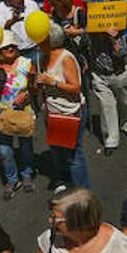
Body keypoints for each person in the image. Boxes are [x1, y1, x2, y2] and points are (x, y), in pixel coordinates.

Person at [36, 22, 90, 193]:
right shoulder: (42, 56)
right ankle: (64, 180)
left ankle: (83, 192)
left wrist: (51, 82)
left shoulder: (65, 58)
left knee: (74, 154)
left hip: (69, 113)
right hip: (52, 113)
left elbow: (75, 88)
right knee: (57, 150)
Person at [88, 0, 127, 157]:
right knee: (106, 105)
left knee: (123, 99)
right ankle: (111, 140)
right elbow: (91, 23)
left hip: (119, 62)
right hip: (100, 64)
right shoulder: (93, 3)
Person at [0, 31, 38, 197]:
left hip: (23, 113)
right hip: (2, 116)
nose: (9, 49)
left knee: (26, 147)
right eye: (5, 47)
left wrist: (28, 94)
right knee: (4, 150)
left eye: (11, 46)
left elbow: (36, 87)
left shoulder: (26, 63)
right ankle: (12, 180)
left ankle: (27, 175)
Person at [22, 188, 127, 253]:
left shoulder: (117, 243)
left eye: (56, 218)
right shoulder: (51, 237)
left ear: (77, 221)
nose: (50, 221)